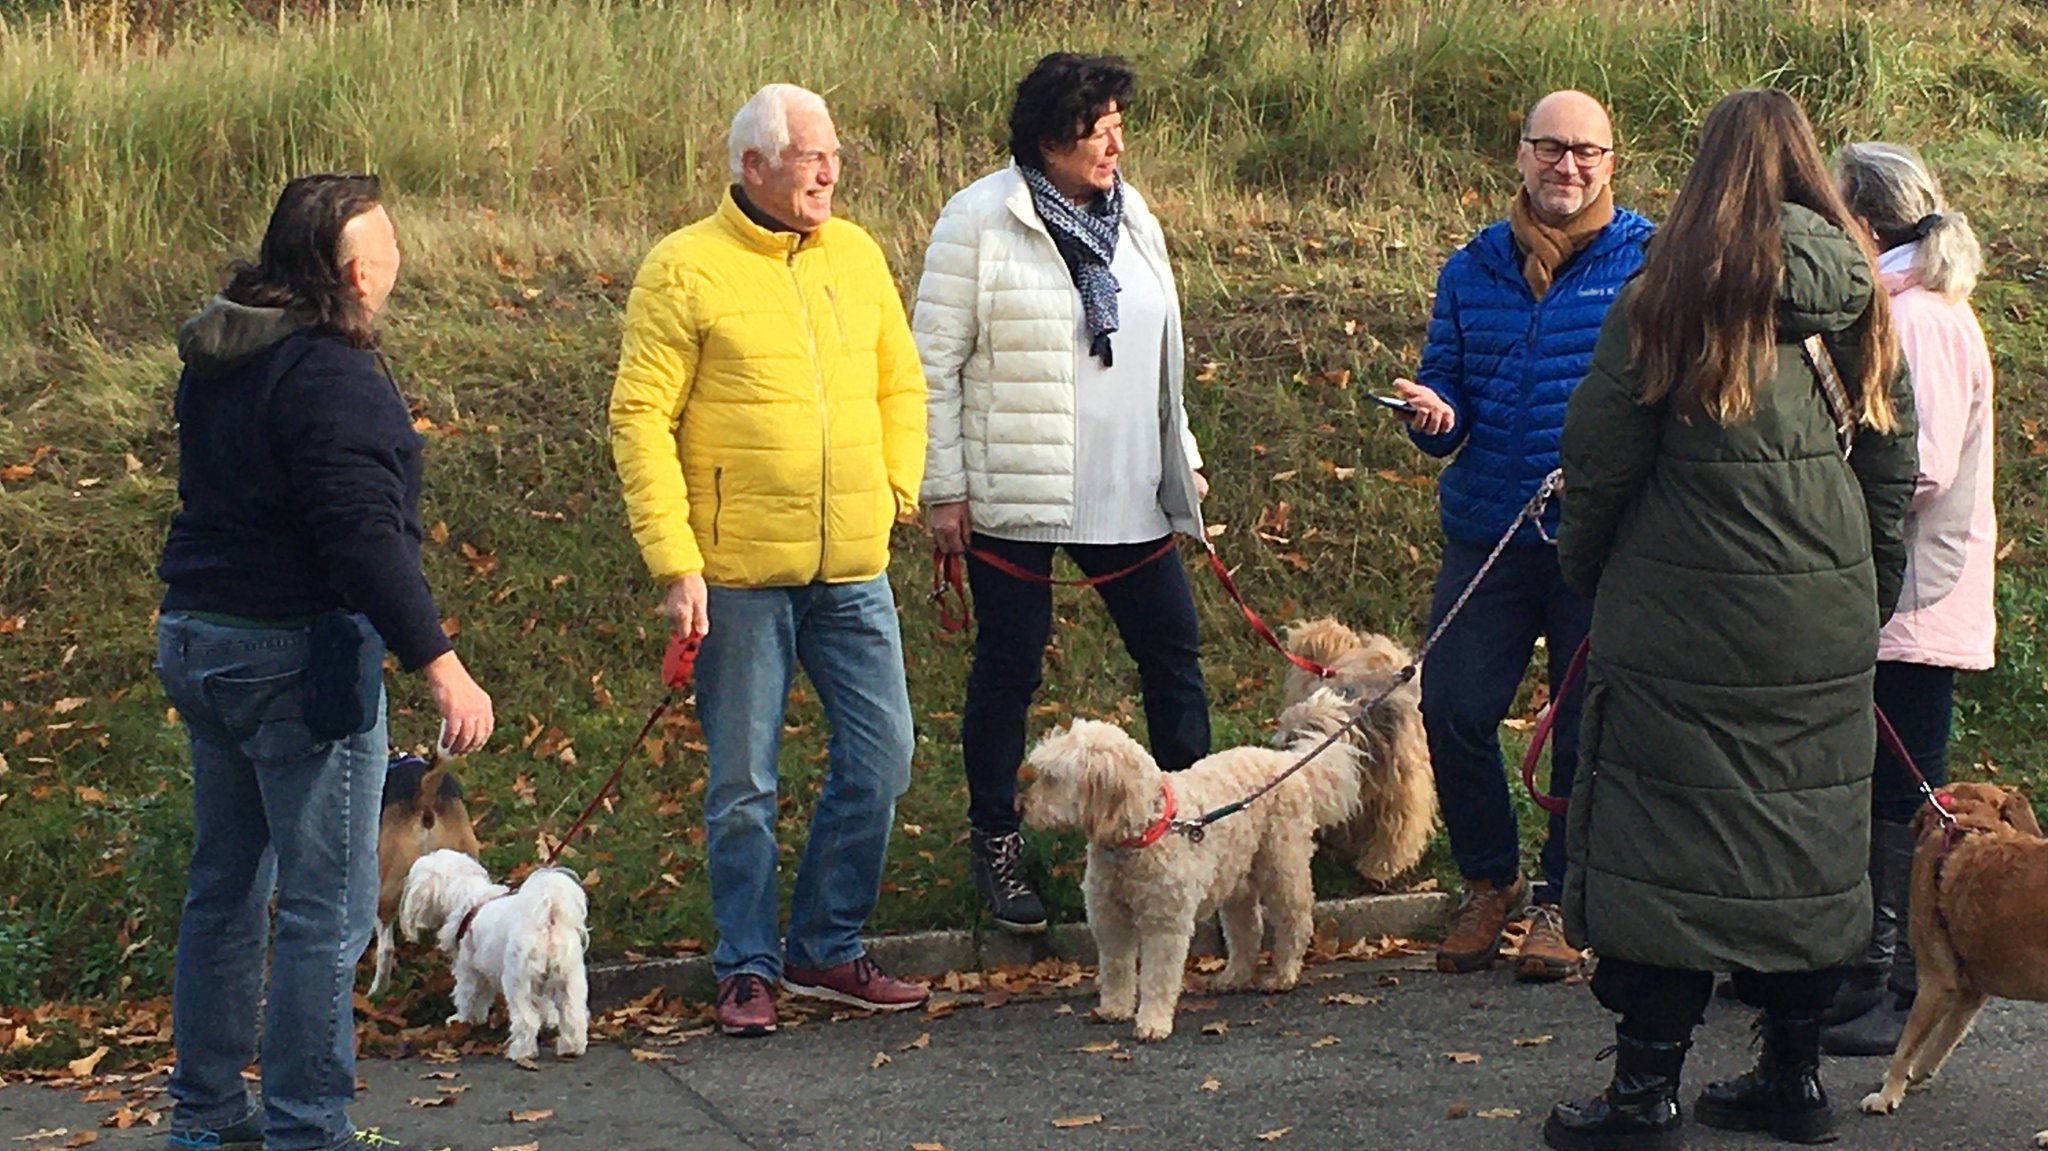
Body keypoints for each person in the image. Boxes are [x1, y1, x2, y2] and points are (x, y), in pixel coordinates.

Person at [1543, 89, 1917, 1151]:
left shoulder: (1664, 297)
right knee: (1802, 838)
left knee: (1661, 837)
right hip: (1820, 609)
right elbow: (1890, 461)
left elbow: (1600, 460)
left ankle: (1641, 1094)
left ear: (1704, 170)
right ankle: (1789, 1077)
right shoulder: (1858, 295)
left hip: (1676, 611)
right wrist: (1864, 589)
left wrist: (1585, 570)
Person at [154, 173, 495, 1151]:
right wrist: (440, 662)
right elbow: (361, 537)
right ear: (352, 270)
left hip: (199, 637)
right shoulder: (330, 374)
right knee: (323, 908)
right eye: (388, 252)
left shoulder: (221, 354)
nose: (394, 268)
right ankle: (308, 1125)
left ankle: (208, 1116)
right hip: (294, 655)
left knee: (224, 884)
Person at [609, 84, 929, 1038]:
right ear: (752, 166)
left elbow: (898, 381)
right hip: (738, 575)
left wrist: (895, 490)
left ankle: (826, 944)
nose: (829, 171)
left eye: (834, 154)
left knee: (884, 757)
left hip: (851, 567)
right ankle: (745, 965)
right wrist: (677, 561)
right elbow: (639, 420)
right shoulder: (684, 269)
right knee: (744, 782)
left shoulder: (859, 254)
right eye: (808, 155)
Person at [913, 52, 1211, 934]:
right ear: (1048, 139)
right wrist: (943, 490)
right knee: (1009, 664)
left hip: (1128, 483)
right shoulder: (978, 220)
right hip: (1016, 490)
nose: (1116, 140)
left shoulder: (1134, 215)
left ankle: (1184, 826)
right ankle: (996, 840)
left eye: (1121, 120)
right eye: (1098, 125)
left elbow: (1164, 354)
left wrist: (1180, 452)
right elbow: (932, 366)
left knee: (1173, 653)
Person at [1389, 90, 1651, 981]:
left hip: (1599, 540)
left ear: (1611, 163)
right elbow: (1447, 401)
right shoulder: (1472, 267)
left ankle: (1562, 900)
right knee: (1453, 706)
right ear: (1521, 154)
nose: (1566, 166)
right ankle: (1487, 881)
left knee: (1584, 728)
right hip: (1488, 531)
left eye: (1585, 151)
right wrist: (1431, 416)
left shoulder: (1648, 262)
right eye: (1549, 148)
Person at [1819, 142, 1997, 1057]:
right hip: (1910, 600)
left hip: (1911, 603)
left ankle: (1896, 977)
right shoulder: (1911, 308)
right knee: (1891, 788)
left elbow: (1915, 469)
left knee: (1903, 794)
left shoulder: (1917, 320)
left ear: (1867, 222)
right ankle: (1872, 967)